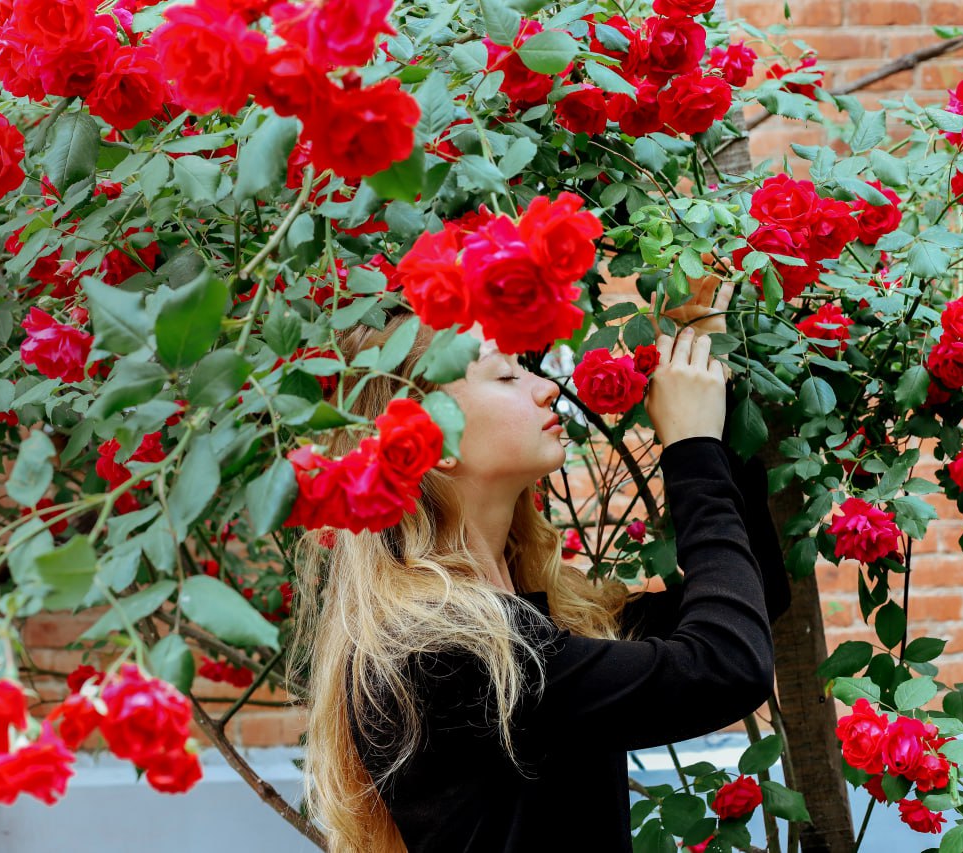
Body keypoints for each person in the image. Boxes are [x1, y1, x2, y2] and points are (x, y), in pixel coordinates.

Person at [288, 281, 792, 852]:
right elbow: (728, 667)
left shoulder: (524, 612)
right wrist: (691, 448)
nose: (547, 388)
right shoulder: (441, 652)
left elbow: (758, 595)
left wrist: (714, 393)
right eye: (506, 376)